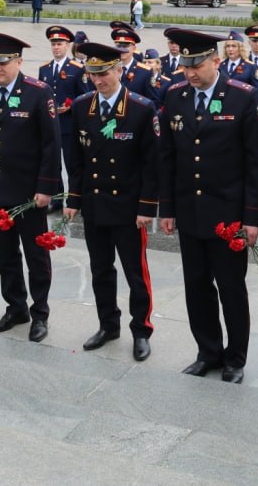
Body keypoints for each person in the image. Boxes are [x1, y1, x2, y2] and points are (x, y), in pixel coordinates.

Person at [158, 28, 258, 384]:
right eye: (186, 65)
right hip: (190, 211)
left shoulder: (243, 98)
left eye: (198, 65)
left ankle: (235, 357)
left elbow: (256, 162)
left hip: (228, 215)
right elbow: (168, 158)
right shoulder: (174, 97)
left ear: (216, 61)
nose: (190, 73)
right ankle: (208, 351)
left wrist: (252, 217)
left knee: (231, 288)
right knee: (197, 286)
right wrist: (168, 209)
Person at [0, 32, 61, 341]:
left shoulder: (38, 92)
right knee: (5, 254)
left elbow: (51, 144)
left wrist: (46, 188)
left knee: (36, 256)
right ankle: (15, 306)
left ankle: (40, 312)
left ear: (19, 61)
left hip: (29, 193)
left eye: (4, 62)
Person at [65, 42, 159, 361]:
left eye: (104, 73)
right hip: (94, 204)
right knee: (100, 269)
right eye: (93, 74)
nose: (98, 80)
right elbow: (76, 159)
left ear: (120, 70)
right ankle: (108, 325)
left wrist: (147, 206)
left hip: (129, 208)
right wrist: (74, 198)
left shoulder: (141, 108)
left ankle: (141, 329)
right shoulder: (82, 106)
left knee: (135, 272)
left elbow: (151, 162)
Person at [37, 25, 86, 209]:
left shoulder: (77, 68)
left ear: (67, 45)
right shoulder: (45, 69)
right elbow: (40, 94)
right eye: (54, 44)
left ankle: (75, 199)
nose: (56, 47)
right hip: (50, 124)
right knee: (53, 163)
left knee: (73, 164)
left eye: (60, 44)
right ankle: (56, 199)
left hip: (69, 124)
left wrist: (70, 106)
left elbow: (85, 96)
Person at [111, 23, 160, 106]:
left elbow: (152, 100)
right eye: (119, 46)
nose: (122, 49)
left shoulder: (145, 72)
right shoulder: (109, 68)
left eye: (126, 46)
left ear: (134, 48)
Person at [219, 31, 258, 104]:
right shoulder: (220, 66)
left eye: (234, 46)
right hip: (224, 108)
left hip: (243, 107)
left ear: (240, 48)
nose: (230, 49)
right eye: (228, 46)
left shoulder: (250, 66)